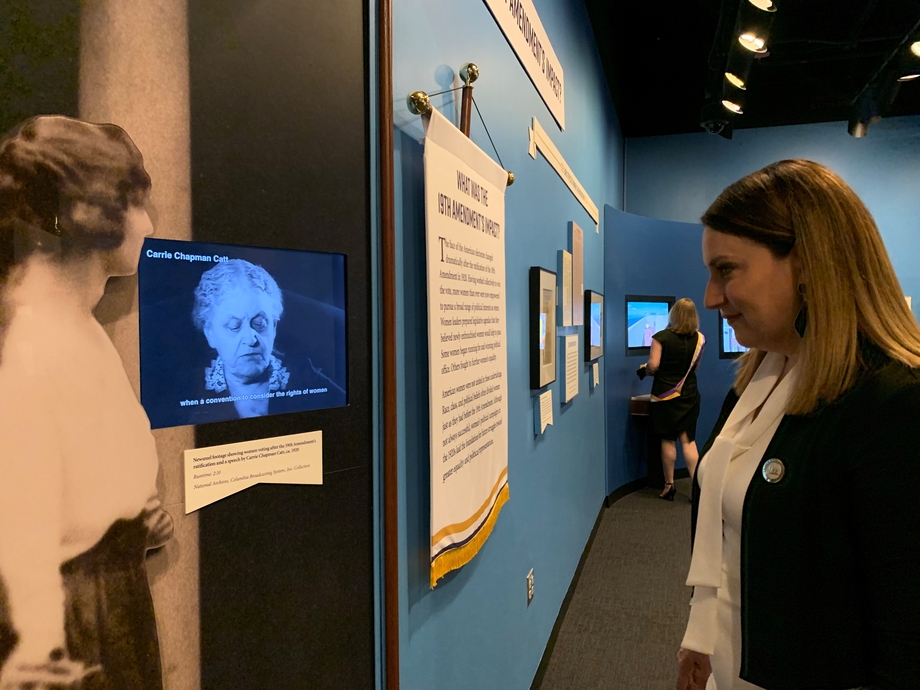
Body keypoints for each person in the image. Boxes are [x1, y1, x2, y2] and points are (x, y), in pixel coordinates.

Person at [677, 159, 920, 690]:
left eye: (726, 270)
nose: (712, 297)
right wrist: (701, 634)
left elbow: (906, 639)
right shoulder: (756, 379)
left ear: (807, 262)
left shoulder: (893, 404)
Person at [0, 116, 172, 689]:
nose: (149, 224)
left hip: (110, 606)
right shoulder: (31, 341)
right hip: (70, 628)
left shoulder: (78, 326)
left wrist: (136, 517)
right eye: (137, 204)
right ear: (94, 211)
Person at [191, 259, 345, 421]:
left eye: (260, 323)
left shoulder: (304, 378)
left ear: (274, 327)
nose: (250, 339)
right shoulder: (189, 389)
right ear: (210, 334)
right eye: (233, 326)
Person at [640, 298, 705, 500]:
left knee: (667, 440)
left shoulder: (661, 337)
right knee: (688, 441)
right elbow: (696, 368)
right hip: (689, 395)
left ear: (673, 314)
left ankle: (669, 486)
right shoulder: (700, 339)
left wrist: (645, 369)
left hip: (664, 397)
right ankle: (697, 489)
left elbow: (653, 365)